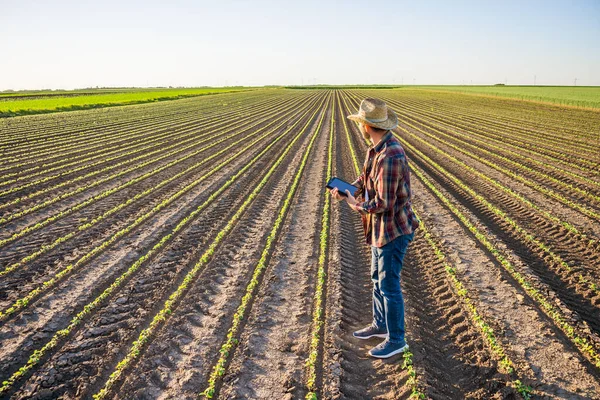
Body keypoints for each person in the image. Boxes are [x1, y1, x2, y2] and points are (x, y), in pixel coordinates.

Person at [329, 97, 419, 359]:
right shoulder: (376, 148)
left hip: (392, 229)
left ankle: (396, 339)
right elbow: (364, 178)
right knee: (376, 280)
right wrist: (348, 189)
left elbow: (383, 202)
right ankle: (381, 325)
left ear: (366, 125)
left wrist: (356, 205)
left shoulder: (391, 154)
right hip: (379, 229)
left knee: (389, 285)